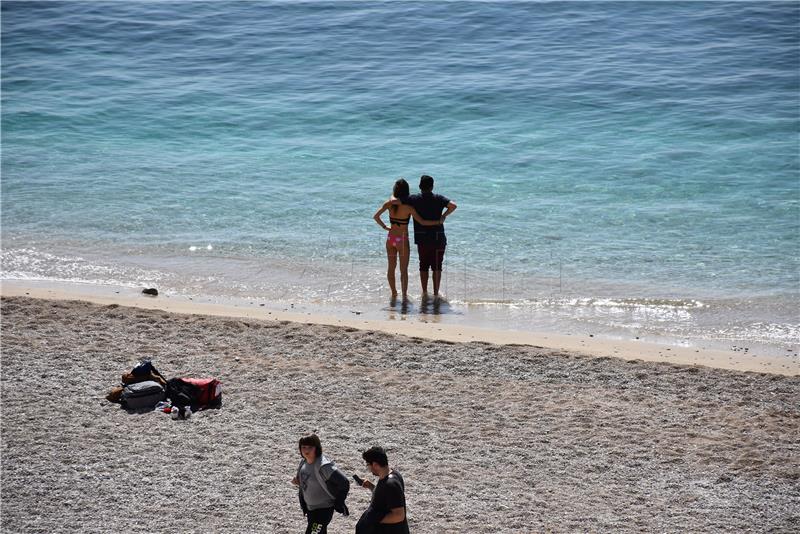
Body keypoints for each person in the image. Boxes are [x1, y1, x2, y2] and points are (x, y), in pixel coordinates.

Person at [373, 178, 443, 299]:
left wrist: (385, 227)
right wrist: (438, 221)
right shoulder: (409, 208)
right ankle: (404, 295)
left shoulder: (389, 204)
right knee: (403, 270)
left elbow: (376, 216)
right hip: (402, 240)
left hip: (391, 238)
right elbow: (423, 222)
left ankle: (394, 293)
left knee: (391, 268)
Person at [401, 175, 456, 297]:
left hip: (422, 239)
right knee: (437, 266)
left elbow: (397, 200)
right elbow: (453, 205)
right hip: (438, 237)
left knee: (423, 265)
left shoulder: (414, 199)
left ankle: (424, 292)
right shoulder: (439, 198)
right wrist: (444, 216)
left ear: (420, 186)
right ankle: (436, 293)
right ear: (432, 187)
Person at [292, 434, 350, 534]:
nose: (306, 450)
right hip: (310, 509)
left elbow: (344, 482)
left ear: (317, 448)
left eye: (310, 447)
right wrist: (299, 482)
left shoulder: (324, 466)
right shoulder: (303, 463)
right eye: (303, 447)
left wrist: (338, 502)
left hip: (323, 510)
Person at [354, 446, 409, 534]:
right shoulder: (393, 475)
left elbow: (399, 515)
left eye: (368, 464)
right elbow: (385, 499)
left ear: (375, 464)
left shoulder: (391, 485)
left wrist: (374, 519)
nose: (368, 468)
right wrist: (371, 487)